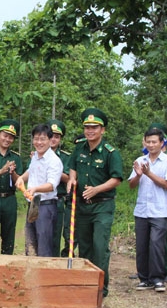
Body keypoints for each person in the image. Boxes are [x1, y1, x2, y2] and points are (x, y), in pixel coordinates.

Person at [66, 108, 123, 297]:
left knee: (99, 245)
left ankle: (100, 287)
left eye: (94, 127)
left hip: (102, 205)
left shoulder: (110, 152)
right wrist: (72, 180)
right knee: (85, 246)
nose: (90, 131)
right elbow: (72, 167)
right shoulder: (79, 148)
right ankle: (85, 283)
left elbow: (116, 179)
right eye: (87, 127)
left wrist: (96, 189)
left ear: (102, 130)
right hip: (82, 205)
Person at [129, 128, 167, 293]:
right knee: (142, 245)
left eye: (154, 142)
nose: (151, 145)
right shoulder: (140, 160)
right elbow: (131, 185)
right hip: (142, 209)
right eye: (148, 142)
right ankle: (144, 279)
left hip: (159, 210)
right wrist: (138, 175)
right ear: (144, 142)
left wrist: (148, 173)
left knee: (156, 245)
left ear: (161, 143)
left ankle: (157, 278)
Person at [17, 124, 63, 257]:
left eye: (42, 139)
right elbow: (30, 172)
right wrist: (21, 178)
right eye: (36, 139)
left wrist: (36, 189)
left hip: (45, 207)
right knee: (31, 244)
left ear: (50, 140)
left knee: (44, 246)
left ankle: (45, 275)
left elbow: (52, 185)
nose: (39, 142)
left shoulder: (54, 161)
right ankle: (31, 274)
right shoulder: (35, 157)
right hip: (32, 205)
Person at [147, 123, 167, 284]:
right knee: (147, 236)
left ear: (163, 141)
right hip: (148, 201)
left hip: (165, 200)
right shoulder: (145, 157)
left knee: (165, 236)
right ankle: (147, 270)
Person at [0, 119, 23, 255]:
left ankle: (7, 262)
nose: (7, 139)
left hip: (9, 199)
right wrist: (1, 170)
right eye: (5, 135)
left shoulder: (16, 157)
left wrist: (12, 172)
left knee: (9, 233)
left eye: (11, 137)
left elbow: (19, 182)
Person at [46, 119, 72, 257]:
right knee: (39, 234)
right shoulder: (37, 155)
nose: (53, 139)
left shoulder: (66, 157)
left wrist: (54, 169)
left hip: (58, 200)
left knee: (55, 235)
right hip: (40, 199)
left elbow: (69, 178)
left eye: (56, 137)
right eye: (51, 136)